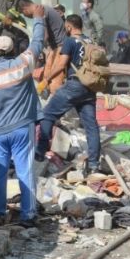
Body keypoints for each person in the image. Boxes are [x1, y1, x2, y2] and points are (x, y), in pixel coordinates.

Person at [0, 3, 46, 227]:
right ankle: (28, 215)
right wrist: (38, 19)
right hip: (22, 128)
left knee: (0, 171)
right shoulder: (22, 65)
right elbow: (38, 42)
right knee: (25, 170)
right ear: (13, 51)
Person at [37, 14, 102, 174]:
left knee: (47, 114)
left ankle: (39, 153)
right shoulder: (91, 42)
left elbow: (61, 64)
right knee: (91, 126)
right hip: (90, 88)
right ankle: (94, 164)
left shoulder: (70, 41)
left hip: (74, 84)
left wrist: (47, 78)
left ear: (69, 27)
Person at [18, 0, 66, 95]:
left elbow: (44, 36)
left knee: (54, 86)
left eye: (23, 14)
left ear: (25, 10)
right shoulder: (44, 8)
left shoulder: (40, 11)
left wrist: (34, 53)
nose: (26, 16)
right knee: (45, 83)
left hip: (59, 50)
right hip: (56, 49)